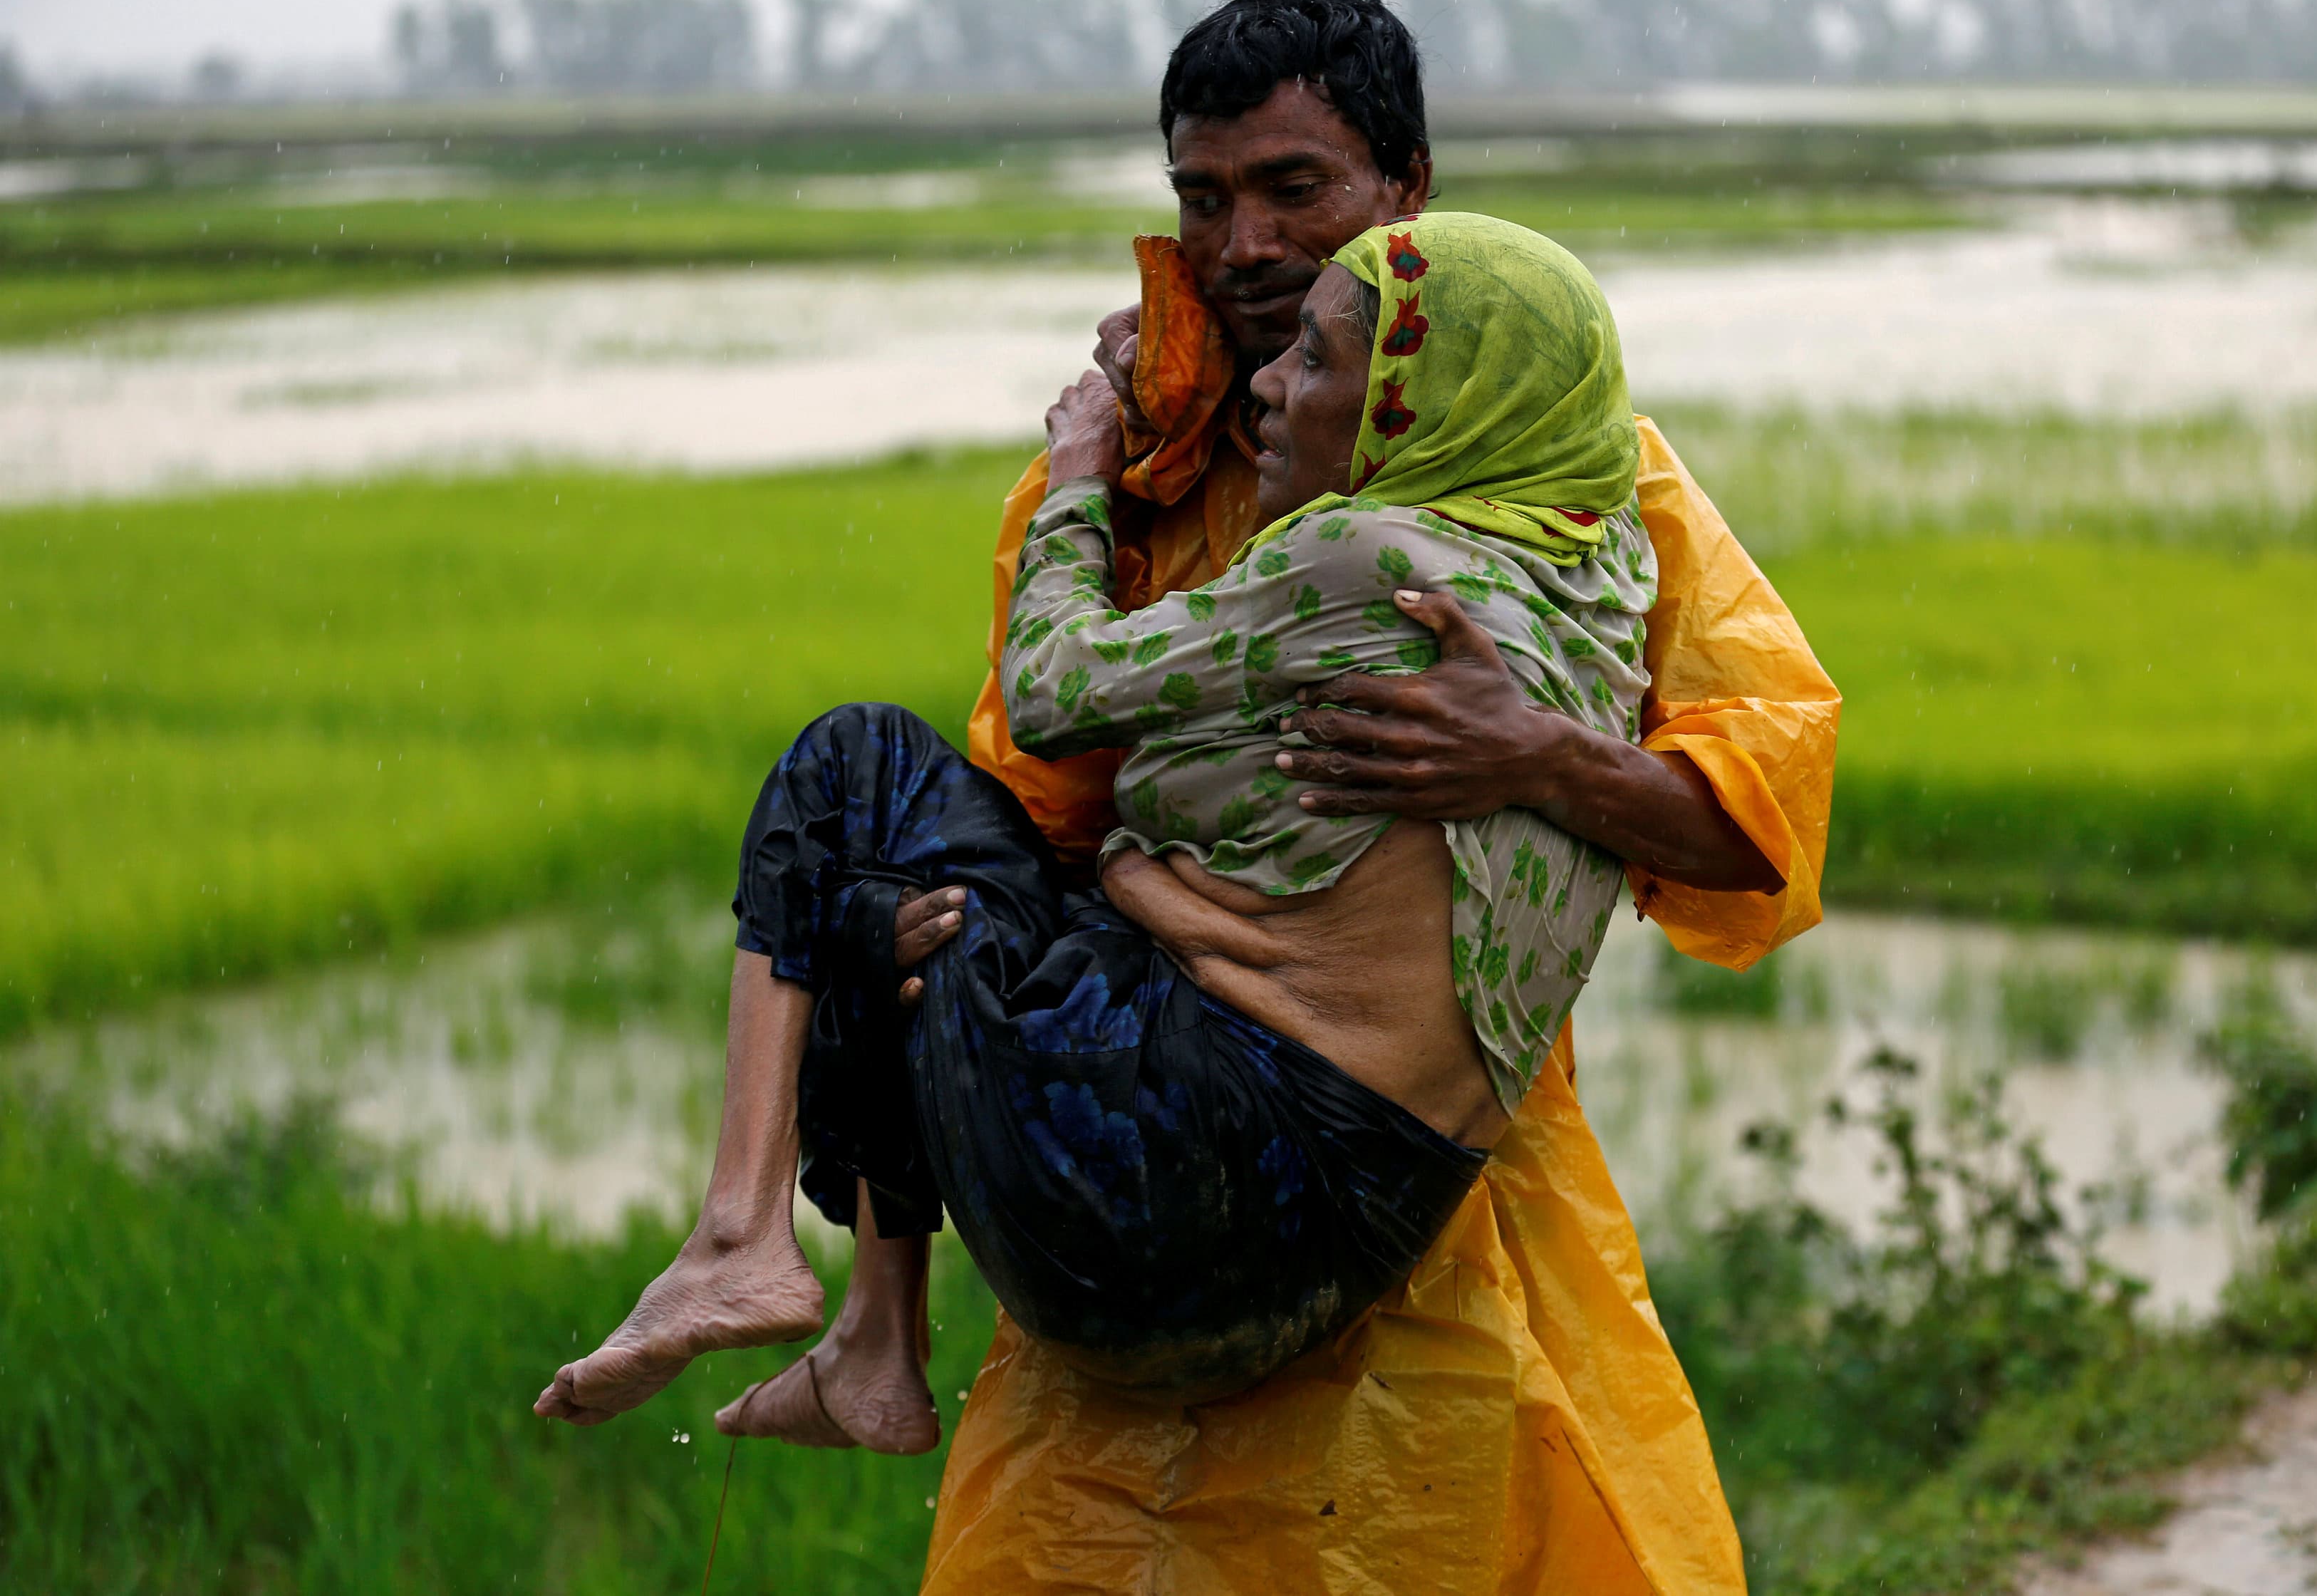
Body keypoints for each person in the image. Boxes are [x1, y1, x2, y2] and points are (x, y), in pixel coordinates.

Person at [543, 0, 1839, 1592]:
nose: (1240, 244)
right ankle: (835, 1304)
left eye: (1293, 188)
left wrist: (1537, 753)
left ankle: (786, 1272)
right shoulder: (1132, 471)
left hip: (1429, 1214)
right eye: (1201, 196)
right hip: (1135, 1137)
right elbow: (1032, 804)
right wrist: (903, 947)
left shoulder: (1560, 475)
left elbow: (1760, 823)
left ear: (1404, 194)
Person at [539, 212, 1662, 1444]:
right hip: (1347, 1247)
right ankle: (869, 1344)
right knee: (894, 915)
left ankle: (742, 1238)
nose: (1272, 391)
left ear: (1420, 402)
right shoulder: (1602, 565)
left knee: (856, 778)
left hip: (1176, 1184)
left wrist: (1083, 472)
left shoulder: (1370, 557)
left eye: (1323, 361)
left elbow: (1057, 689)